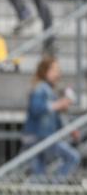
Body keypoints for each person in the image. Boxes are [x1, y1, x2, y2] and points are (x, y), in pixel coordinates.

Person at [23, 56, 81, 184]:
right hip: (40, 137)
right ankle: (52, 187)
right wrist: (59, 104)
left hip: (43, 137)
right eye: (55, 70)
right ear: (46, 71)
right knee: (72, 157)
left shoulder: (49, 90)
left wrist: (71, 129)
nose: (58, 73)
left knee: (36, 180)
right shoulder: (40, 88)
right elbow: (36, 108)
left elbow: (55, 118)